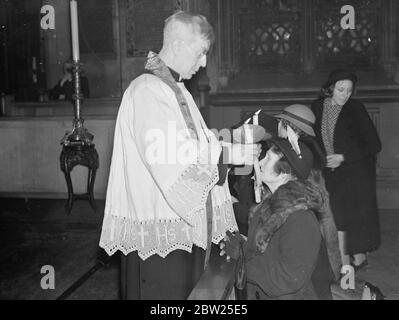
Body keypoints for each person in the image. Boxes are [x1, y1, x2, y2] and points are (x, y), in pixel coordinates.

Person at [99, 11, 260, 300]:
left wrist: (229, 143)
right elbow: (171, 155)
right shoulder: (147, 90)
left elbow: (198, 142)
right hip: (162, 233)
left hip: (185, 227)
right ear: (177, 45)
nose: (203, 63)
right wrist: (231, 152)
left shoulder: (176, 90)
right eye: (201, 53)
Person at [230, 104, 341, 281]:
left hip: (295, 271)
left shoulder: (292, 158)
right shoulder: (303, 148)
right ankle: (333, 275)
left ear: (284, 124)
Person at [222, 138, 333, 299]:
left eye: (267, 159)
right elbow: (266, 253)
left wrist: (242, 261)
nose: (259, 164)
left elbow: (288, 278)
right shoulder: (269, 206)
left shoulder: (300, 217)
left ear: (284, 172)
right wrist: (242, 247)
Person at [311, 69, 382, 271]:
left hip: (356, 170)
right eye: (341, 89)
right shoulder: (317, 107)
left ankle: (358, 260)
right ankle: (345, 260)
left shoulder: (356, 108)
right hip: (330, 171)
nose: (345, 95)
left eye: (349, 91)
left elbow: (374, 144)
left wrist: (343, 157)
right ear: (331, 88)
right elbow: (314, 138)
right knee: (338, 216)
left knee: (355, 216)